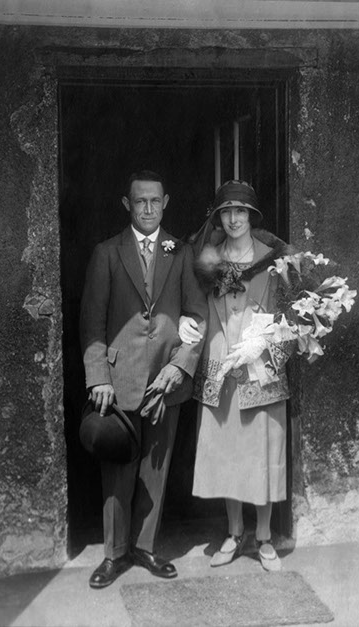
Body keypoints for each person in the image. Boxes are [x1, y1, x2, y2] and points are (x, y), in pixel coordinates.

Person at [80, 170, 207, 588]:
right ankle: (115, 554)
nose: (148, 209)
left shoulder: (181, 253)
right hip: (118, 382)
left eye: (155, 201)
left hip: (165, 381)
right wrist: (98, 377)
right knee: (117, 468)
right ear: (127, 205)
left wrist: (180, 366)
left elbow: (198, 315)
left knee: (157, 467)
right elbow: (92, 322)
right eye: (140, 202)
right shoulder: (107, 253)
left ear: (165, 202)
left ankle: (145, 546)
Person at [180, 180, 293, 572]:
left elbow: (292, 314)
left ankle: (263, 537)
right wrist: (184, 322)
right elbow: (191, 303)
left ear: (252, 216)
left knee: (260, 456)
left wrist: (262, 343)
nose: (233, 219)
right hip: (220, 366)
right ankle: (233, 532)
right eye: (226, 211)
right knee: (228, 456)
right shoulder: (207, 260)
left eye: (240, 211)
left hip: (259, 370)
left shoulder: (274, 260)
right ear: (218, 217)